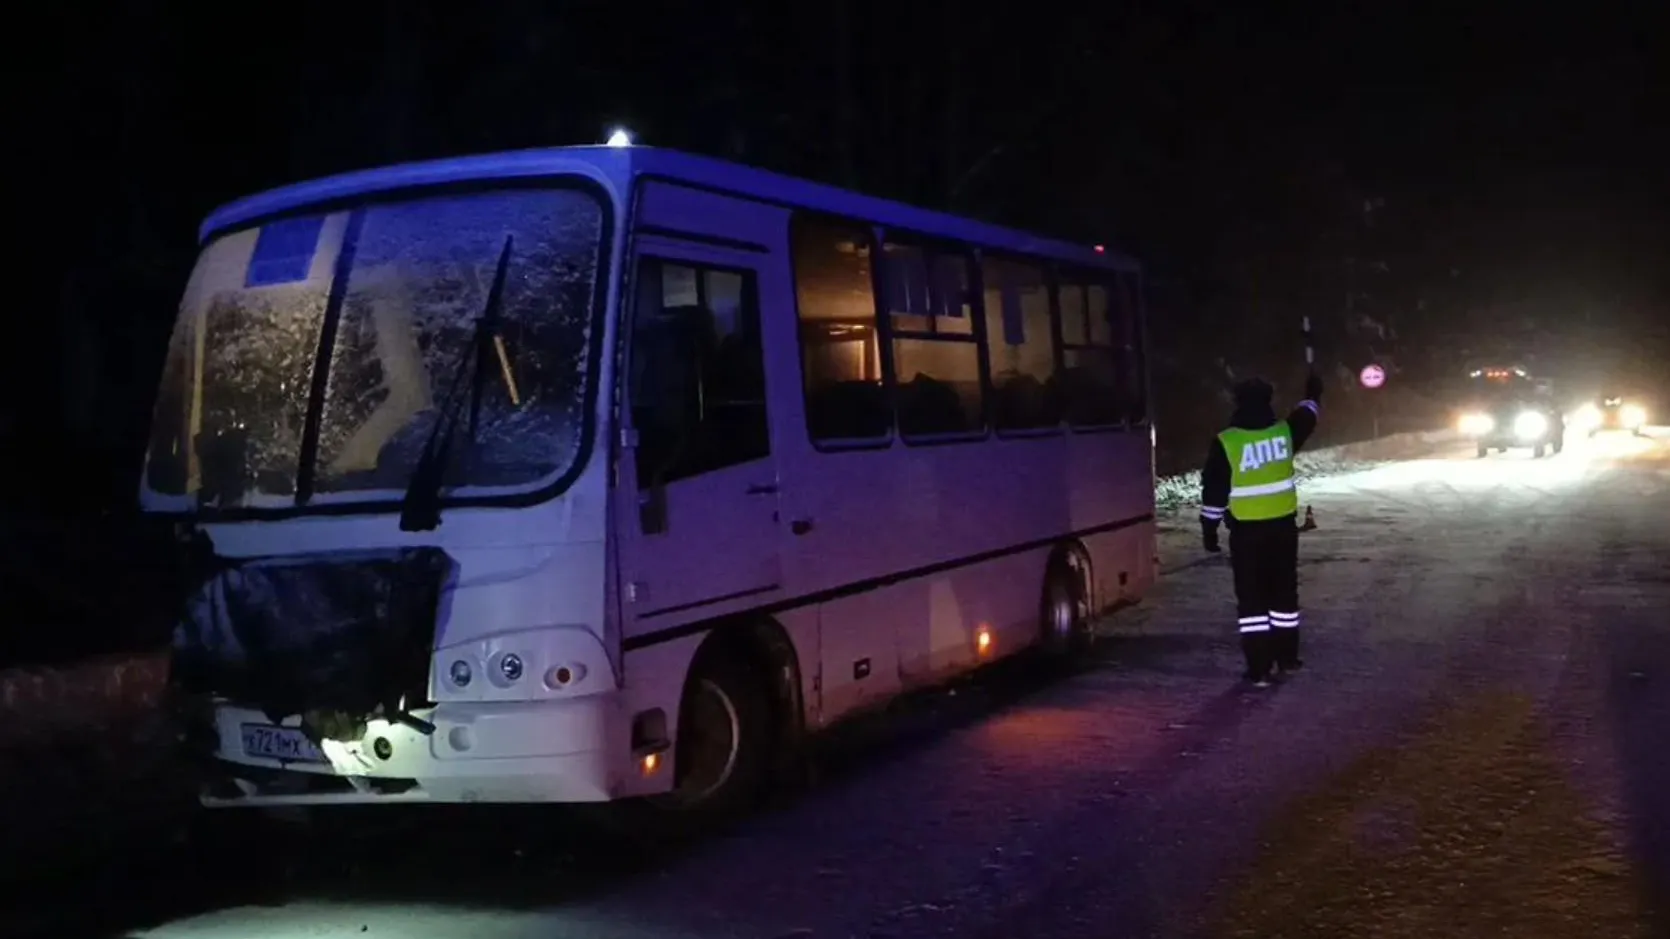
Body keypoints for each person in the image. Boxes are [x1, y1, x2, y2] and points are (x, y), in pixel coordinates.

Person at [1198, 372, 1323, 686]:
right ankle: (1288, 658)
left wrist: (1209, 531)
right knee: (1284, 595)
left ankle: (1259, 668)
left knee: (1252, 601)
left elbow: (1214, 491)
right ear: (1268, 400)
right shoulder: (1284, 433)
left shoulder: (1227, 441)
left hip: (1246, 534)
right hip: (1283, 530)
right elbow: (1307, 415)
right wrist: (1313, 393)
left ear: (1237, 403)